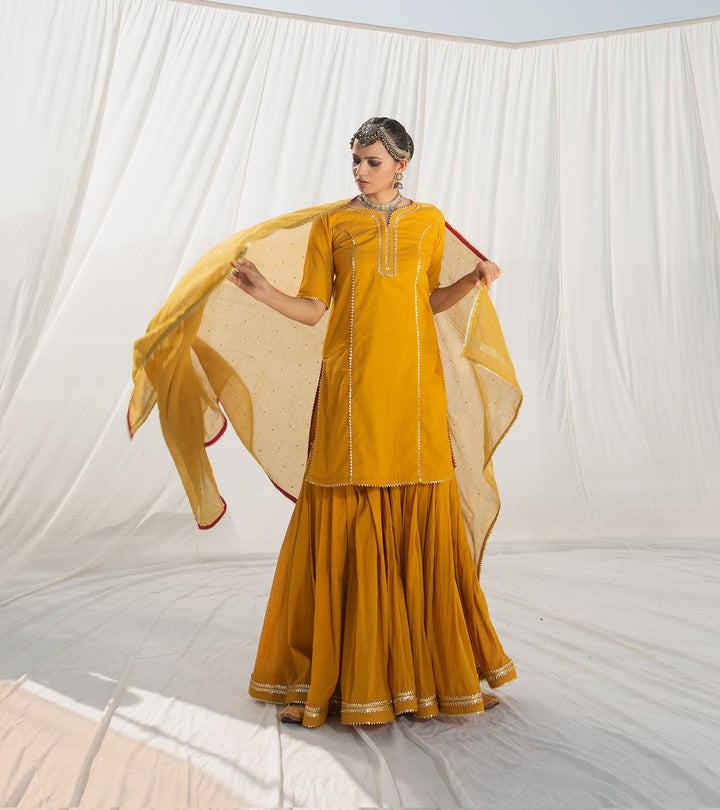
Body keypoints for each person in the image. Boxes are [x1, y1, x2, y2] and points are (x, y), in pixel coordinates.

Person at [227, 117, 517, 727]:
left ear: (401, 164)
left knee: (421, 499)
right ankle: (329, 678)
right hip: (351, 386)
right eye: (356, 160)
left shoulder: (428, 221)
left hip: (415, 387)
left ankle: (434, 675)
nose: (360, 171)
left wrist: (471, 279)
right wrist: (264, 292)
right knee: (344, 498)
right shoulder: (333, 225)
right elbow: (315, 309)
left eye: (372, 161)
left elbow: (426, 300)